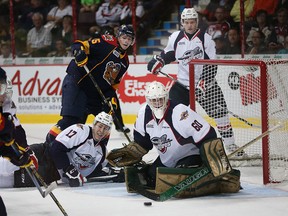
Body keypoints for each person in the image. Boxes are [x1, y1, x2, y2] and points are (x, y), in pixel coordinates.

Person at [106, 81, 241, 198]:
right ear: (148, 100)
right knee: (151, 178)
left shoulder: (179, 112)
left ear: (166, 98)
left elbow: (207, 135)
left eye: (160, 99)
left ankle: (220, 180)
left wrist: (216, 162)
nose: (158, 103)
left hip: (190, 156)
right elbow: (142, 143)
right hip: (168, 159)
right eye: (154, 100)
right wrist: (129, 155)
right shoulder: (143, 114)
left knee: (178, 180)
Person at [146, 8, 240, 155]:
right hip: (183, 85)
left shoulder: (206, 39)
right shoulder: (176, 37)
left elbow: (211, 64)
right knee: (169, 113)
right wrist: (159, 62)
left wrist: (202, 83)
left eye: (192, 22)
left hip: (207, 85)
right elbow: (168, 54)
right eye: (187, 22)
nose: (189, 25)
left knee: (221, 115)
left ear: (197, 22)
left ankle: (232, 146)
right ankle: (172, 145)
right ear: (182, 23)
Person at [45, 24, 135, 144]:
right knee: (71, 121)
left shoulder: (125, 62)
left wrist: (111, 99)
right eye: (124, 37)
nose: (126, 41)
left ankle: (99, 152)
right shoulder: (106, 41)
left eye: (129, 39)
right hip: (77, 82)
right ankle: (47, 146)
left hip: (94, 94)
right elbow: (80, 44)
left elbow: (113, 84)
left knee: (104, 122)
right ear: (118, 36)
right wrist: (79, 52)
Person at [0, 67, 38, 215]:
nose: (3, 95)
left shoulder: (4, 114)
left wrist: (18, 156)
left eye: (3, 87)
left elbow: (11, 138)